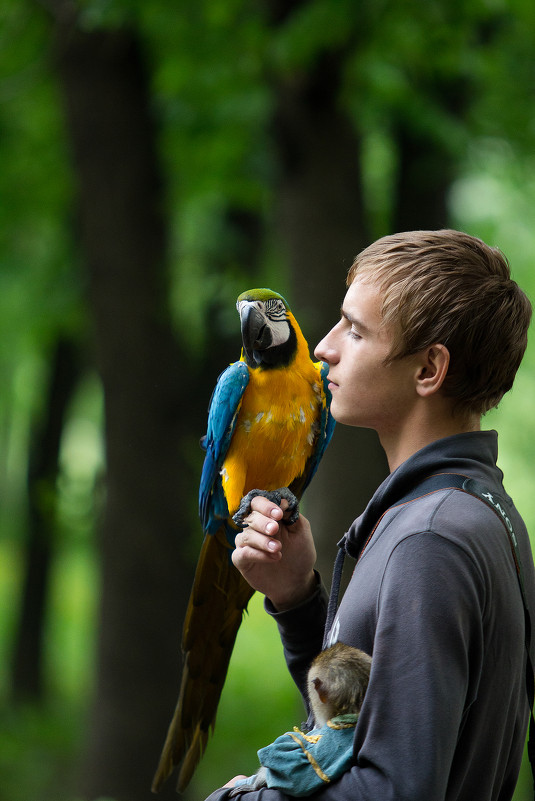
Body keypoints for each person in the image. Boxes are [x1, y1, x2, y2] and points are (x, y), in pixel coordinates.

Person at [206, 230, 535, 801]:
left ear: (429, 369)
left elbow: (397, 788)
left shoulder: (430, 541)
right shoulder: (471, 511)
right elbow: (364, 725)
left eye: (355, 330)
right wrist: (297, 599)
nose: (323, 348)